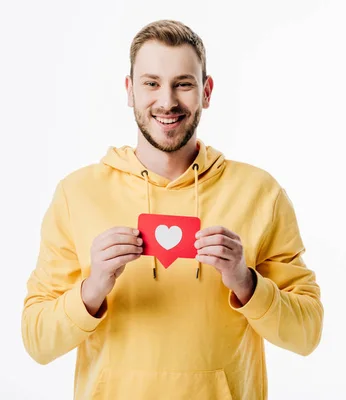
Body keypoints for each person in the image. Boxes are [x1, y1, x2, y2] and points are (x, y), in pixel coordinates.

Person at [21, 19, 323, 400]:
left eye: (183, 83)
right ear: (130, 91)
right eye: (151, 83)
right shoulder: (76, 193)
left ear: (206, 91)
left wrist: (246, 283)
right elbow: (37, 341)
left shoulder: (260, 193)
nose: (167, 101)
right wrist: (93, 288)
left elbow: (307, 334)